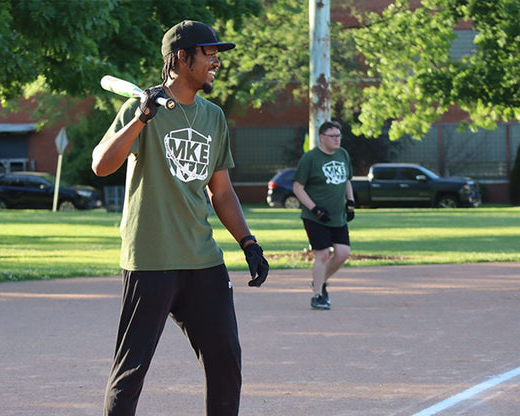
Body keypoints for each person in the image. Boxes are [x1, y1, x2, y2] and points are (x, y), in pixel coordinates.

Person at [92, 20, 269, 416]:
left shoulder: (213, 117)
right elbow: (101, 165)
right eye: (208, 53)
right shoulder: (140, 109)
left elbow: (221, 192)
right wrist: (141, 119)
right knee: (131, 370)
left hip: (202, 258)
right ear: (181, 57)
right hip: (151, 258)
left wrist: (249, 243)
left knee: (226, 362)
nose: (216, 62)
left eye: (216, 54)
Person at [292, 120, 355, 310]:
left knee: (343, 253)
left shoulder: (343, 154)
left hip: (338, 215)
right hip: (315, 217)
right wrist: (314, 209)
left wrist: (350, 202)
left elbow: (346, 180)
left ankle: (319, 281)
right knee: (323, 254)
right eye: (333, 136)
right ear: (321, 137)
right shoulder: (310, 158)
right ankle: (318, 295)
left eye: (339, 136)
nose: (337, 140)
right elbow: (297, 187)